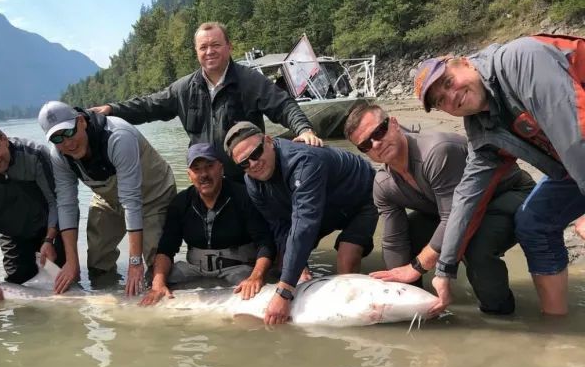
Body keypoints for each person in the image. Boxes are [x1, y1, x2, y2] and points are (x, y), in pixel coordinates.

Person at [413, 34, 585, 316]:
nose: (452, 96)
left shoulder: (522, 59)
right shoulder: (482, 128)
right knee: (533, 222)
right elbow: (467, 197)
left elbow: (576, 133)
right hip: (573, 170)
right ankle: (555, 326)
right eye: (441, 100)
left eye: (448, 82)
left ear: (466, 63)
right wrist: (445, 269)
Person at [344, 103, 534, 314]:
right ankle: (420, 311)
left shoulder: (437, 152)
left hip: (508, 194)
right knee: (410, 234)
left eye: (379, 131)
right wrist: (399, 290)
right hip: (454, 211)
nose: (376, 143)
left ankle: (500, 315)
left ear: (395, 124)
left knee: (475, 247)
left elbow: (455, 219)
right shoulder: (383, 185)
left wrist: (416, 267)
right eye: (366, 145)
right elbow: (394, 242)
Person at [91, 21, 323, 180]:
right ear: (196, 51)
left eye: (216, 45)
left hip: (245, 176)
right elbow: (148, 106)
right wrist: (112, 109)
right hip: (206, 180)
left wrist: (304, 129)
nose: (209, 51)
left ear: (229, 47)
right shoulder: (183, 88)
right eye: (204, 47)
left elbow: (284, 105)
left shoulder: (249, 81)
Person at [224, 121, 377, 325]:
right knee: (286, 261)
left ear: (268, 141)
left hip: (360, 198)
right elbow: (279, 225)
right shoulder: (253, 183)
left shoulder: (303, 161)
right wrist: (297, 267)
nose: (254, 163)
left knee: (346, 260)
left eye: (256, 153)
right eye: (245, 163)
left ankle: (353, 320)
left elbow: (305, 224)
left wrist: (285, 291)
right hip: (323, 207)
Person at [38, 100, 177, 295]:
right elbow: (66, 204)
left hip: (153, 195)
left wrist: (135, 262)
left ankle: (153, 295)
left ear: (81, 122)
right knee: (97, 261)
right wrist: (71, 262)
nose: (67, 143)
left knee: (156, 268)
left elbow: (131, 200)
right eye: (57, 138)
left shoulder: (117, 136)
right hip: (108, 198)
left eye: (69, 132)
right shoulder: (59, 156)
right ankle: (110, 301)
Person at [140, 143, 276, 305]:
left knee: (256, 290)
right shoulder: (180, 203)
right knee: (152, 279)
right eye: (196, 169)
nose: (203, 174)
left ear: (221, 168)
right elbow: (166, 249)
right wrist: (158, 284)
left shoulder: (244, 196)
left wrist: (256, 277)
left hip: (238, 268)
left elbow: (266, 243)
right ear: (189, 175)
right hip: (194, 269)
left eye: (209, 166)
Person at [0, 115, 65, 302]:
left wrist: (49, 239)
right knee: (17, 285)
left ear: (4, 138)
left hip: (51, 228)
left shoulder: (35, 155)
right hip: (14, 235)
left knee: (67, 287)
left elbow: (55, 202)